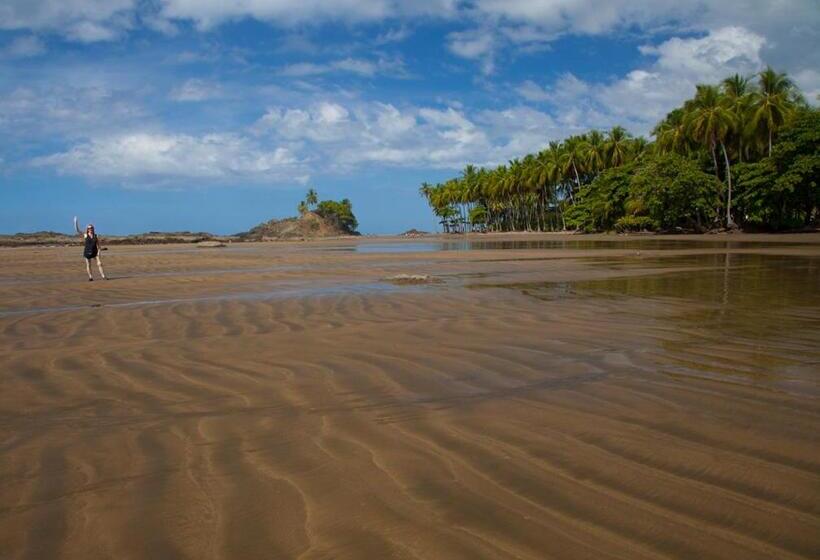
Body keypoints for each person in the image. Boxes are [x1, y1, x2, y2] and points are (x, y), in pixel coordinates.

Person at [74, 216, 107, 281]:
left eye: (91, 228)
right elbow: (77, 231)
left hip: (95, 251)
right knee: (88, 265)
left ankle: (103, 276)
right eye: (89, 228)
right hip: (87, 252)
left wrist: (99, 253)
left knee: (99, 264)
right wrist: (75, 222)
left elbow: (99, 246)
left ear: (93, 228)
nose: (90, 229)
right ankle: (90, 277)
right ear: (87, 229)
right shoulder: (85, 235)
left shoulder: (96, 236)